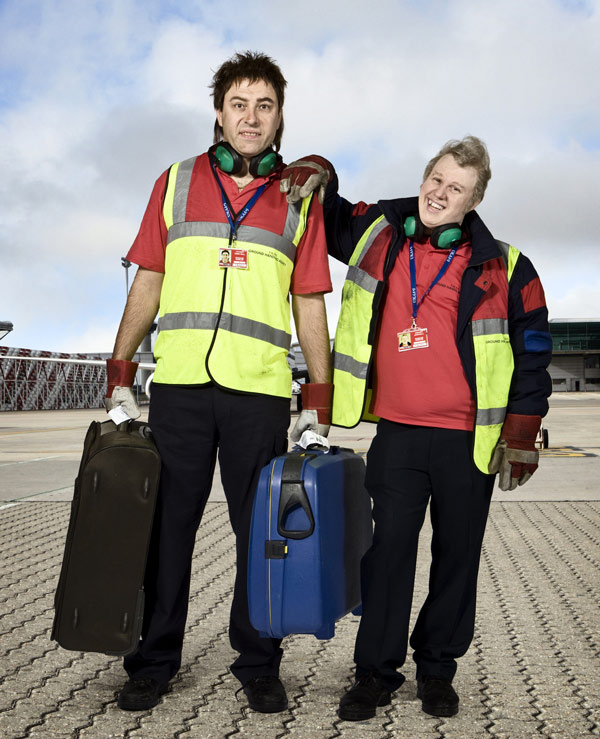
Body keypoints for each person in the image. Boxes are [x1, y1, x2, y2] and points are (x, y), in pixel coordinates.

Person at [281, 137, 552, 721]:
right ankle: (375, 672)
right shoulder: (380, 232)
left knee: (457, 558)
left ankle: (436, 670)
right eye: (436, 178)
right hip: (398, 434)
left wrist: (524, 430)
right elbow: (325, 213)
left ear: (473, 201)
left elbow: (533, 351)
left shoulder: (507, 266)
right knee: (387, 555)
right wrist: (318, 168)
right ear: (424, 176)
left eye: (455, 188)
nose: (439, 193)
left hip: (467, 441)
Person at [105, 51, 333, 713]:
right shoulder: (174, 182)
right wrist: (120, 367)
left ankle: (258, 660)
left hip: (258, 391)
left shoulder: (300, 197)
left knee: (261, 533)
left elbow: (310, 301)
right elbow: (147, 279)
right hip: (178, 385)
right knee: (166, 528)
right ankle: (153, 659)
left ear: (280, 117)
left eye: (265, 106)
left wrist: (316, 398)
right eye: (240, 104)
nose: (251, 117)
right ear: (219, 112)